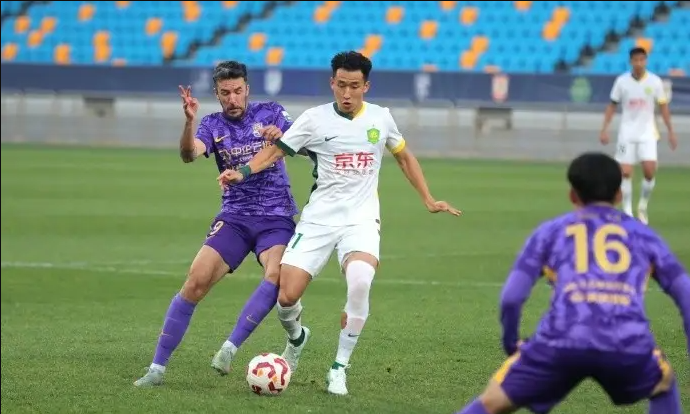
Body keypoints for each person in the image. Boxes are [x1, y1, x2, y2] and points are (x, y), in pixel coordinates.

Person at [217, 50, 462, 396]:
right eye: (342, 85)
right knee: (286, 297)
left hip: (361, 220)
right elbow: (276, 151)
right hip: (318, 220)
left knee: (360, 281)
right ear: (332, 83)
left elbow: (404, 157)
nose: (347, 93)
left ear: (366, 86)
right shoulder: (314, 119)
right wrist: (242, 172)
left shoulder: (381, 118)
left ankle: (339, 368)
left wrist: (428, 198)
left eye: (355, 86)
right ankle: (297, 339)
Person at [454, 152, 689, 414]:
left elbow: (512, 297)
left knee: (491, 403)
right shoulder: (644, 237)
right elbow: (686, 296)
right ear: (619, 195)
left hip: (560, 340)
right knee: (663, 384)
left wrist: (511, 343)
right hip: (626, 342)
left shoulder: (551, 232)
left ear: (573, 195)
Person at [134, 60, 299, 387]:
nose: (233, 98)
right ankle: (156, 369)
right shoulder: (211, 124)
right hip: (235, 217)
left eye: (238, 91)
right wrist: (189, 122)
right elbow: (189, 154)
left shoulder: (272, 112)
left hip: (276, 216)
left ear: (247, 89)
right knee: (195, 281)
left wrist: (281, 135)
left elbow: (299, 142)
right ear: (217, 93)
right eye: (226, 93)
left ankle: (229, 348)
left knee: (276, 274)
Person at [600, 47, 678, 224]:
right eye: (636, 60)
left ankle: (642, 205)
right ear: (630, 62)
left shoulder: (655, 82)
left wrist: (671, 131)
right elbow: (612, 106)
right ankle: (627, 211)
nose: (639, 63)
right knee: (625, 172)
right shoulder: (621, 81)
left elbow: (663, 107)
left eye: (642, 60)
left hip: (648, 133)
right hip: (625, 134)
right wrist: (604, 128)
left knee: (649, 171)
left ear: (646, 61)